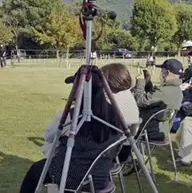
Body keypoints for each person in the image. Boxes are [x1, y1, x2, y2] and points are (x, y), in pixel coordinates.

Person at [20, 65, 124, 193]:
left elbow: (50, 136)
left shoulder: (72, 116)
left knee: (35, 170)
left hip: (71, 177)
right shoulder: (116, 115)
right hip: (101, 177)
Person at [42, 63, 139, 156]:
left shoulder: (94, 114)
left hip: (90, 159)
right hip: (118, 152)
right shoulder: (128, 99)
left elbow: (50, 136)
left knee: (51, 146)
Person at [131, 59, 183, 141]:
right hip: (162, 130)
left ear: (167, 73)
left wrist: (140, 82)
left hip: (148, 131)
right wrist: (148, 83)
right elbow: (153, 100)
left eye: (162, 71)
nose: (161, 73)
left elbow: (140, 101)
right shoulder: (177, 91)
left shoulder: (164, 91)